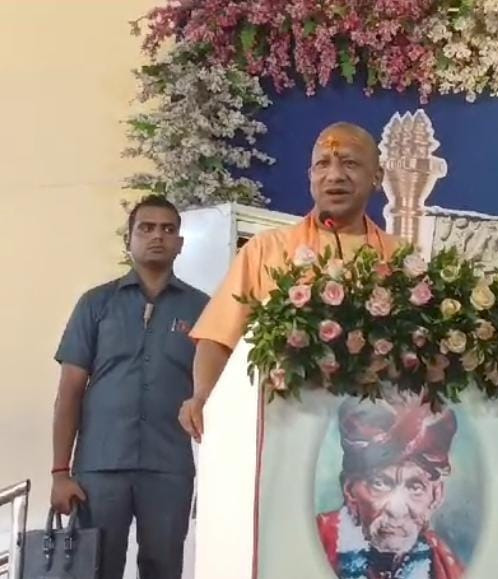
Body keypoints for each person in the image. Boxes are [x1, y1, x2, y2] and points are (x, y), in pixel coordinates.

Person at [179, 122, 401, 441]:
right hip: (283, 430)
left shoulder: (401, 258)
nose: (335, 175)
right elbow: (217, 339)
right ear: (310, 176)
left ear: (377, 177)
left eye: (350, 163)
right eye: (323, 164)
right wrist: (203, 396)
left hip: (377, 432)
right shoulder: (266, 249)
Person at [51, 195, 208, 579]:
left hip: (169, 467)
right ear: (129, 239)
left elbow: (214, 394)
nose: (158, 236)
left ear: (180, 243)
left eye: (168, 229)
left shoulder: (202, 309)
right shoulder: (96, 304)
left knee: (163, 568)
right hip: (100, 467)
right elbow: (69, 392)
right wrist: (60, 472)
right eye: (146, 228)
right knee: (96, 569)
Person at [316, 393, 465, 579]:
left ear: (436, 495)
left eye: (415, 487)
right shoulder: (318, 540)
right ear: (350, 490)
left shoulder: (444, 564)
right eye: (379, 483)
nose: (396, 510)